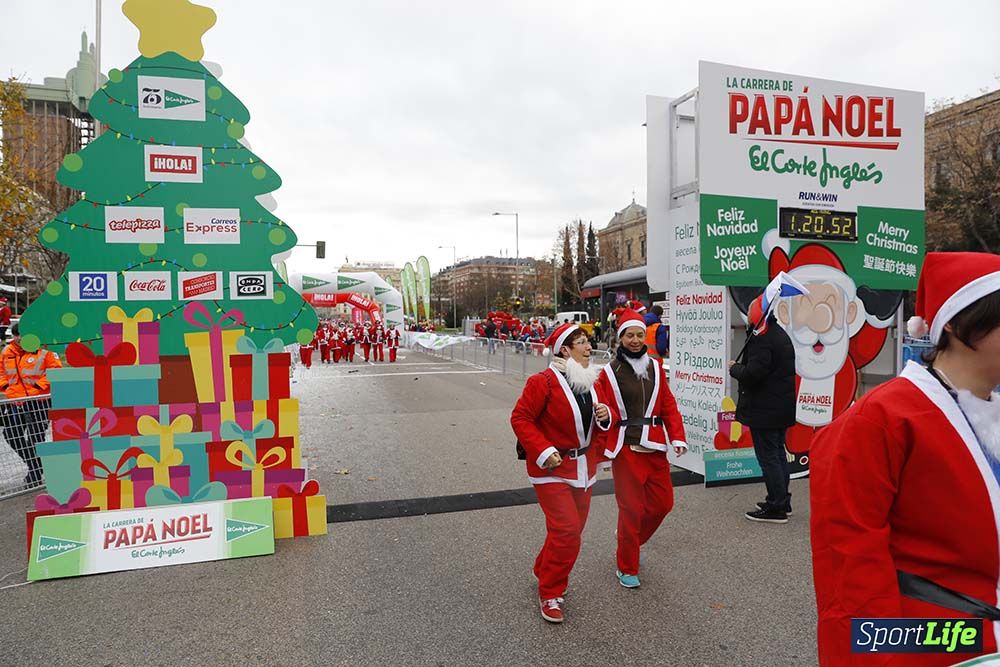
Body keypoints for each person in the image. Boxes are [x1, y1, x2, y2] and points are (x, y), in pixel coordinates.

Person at [811, 252, 1000, 665]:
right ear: (956, 324)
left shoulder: (992, 412)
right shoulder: (880, 419)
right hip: (950, 640)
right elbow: (851, 576)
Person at [510, 322, 611, 623]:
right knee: (567, 532)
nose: (589, 347)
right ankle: (550, 592)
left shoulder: (591, 380)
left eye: (588, 341)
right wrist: (544, 450)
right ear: (565, 350)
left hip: (583, 467)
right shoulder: (542, 382)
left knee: (570, 531)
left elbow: (599, 419)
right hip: (551, 469)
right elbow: (521, 418)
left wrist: (605, 416)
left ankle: (543, 567)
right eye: (582, 342)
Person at [593, 309, 687, 588]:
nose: (635, 340)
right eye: (629, 335)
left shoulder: (656, 367)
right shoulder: (609, 373)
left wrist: (677, 437)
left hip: (655, 448)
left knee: (663, 505)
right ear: (620, 338)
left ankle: (630, 539)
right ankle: (627, 565)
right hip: (626, 449)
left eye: (638, 335)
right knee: (631, 510)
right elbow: (603, 406)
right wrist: (605, 413)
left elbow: (668, 404)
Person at [727, 294, 796, 524]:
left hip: (765, 409)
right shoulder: (778, 333)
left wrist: (735, 368)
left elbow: (754, 373)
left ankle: (776, 507)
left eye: (748, 312)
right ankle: (781, 500)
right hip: (779, 407)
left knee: (769, 458)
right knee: (777, 455)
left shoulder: (763, 338)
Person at [1, 323, 62, 488]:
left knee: (36, 438)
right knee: (11, 435)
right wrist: (7, 388)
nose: (19, 338)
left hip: (39, 402)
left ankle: (34, 473)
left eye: (22, 334)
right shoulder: (7, 352)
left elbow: (55, 371)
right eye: (16, 335)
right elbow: (1, 372)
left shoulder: (45, 351)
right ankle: (36, 465)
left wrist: (37, 388)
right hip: (16, 403)